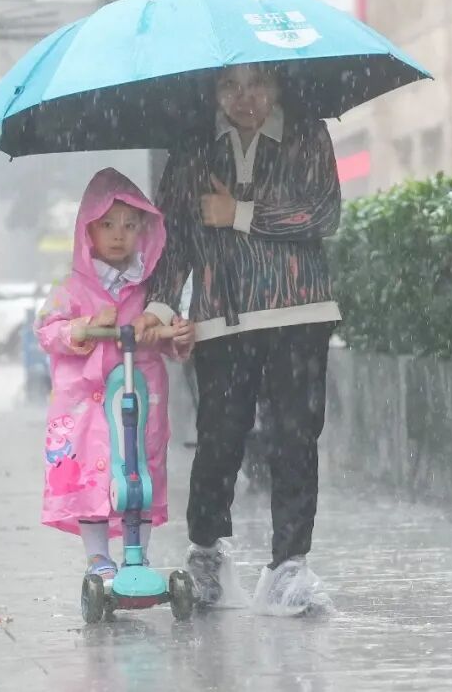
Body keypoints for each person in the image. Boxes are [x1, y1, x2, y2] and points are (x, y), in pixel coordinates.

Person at [138, 63, 342, 612]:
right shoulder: (193, 148)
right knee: (218, 440)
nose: (244, 97)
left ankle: (290, 566)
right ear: (212, 91)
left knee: (295, 440)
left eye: (257, 84)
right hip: (220, 319)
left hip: (299, 310)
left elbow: (324, 213)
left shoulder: (307, 133)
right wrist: (158, 306)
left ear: (278, 86)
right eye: (230, 85)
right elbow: (174, 237)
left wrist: (240, 213)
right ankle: (206, 555)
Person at [34, 168, 194, 579]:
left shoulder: (147, 290)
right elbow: (47, 332)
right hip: (86, 406)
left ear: (145, 230)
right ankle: (98, 557)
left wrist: (173, 335)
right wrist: (84, 327)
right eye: (107, 225)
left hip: (139, 399)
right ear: (88, 231)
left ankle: (138, 556)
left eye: (129, 225)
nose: (119, 235)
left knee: (138, 470)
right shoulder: (70, 289)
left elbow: (161, 336)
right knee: (92, 472)